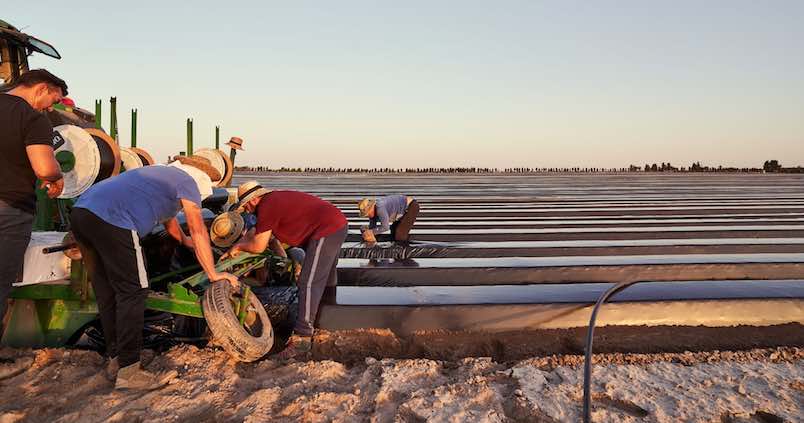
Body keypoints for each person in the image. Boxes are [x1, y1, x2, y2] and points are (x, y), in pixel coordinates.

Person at [70, 155, 239, 390]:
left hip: (81, 213)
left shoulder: (161, 173)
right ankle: (129, 372)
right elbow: (197, 227)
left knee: (107, 292)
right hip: (114, 220)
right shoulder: (188, 180)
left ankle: (116, 359)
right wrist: (213, 274)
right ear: (203, 179)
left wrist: (185, 242)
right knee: (134, 291)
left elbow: (169, 220)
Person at [223, 180, 348, 360]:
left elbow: (258, 246)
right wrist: (234, 247)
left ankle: (302, 340)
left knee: (308, 282)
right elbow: (254, 234)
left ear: (253, 200)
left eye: (246, 206)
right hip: (337, 224)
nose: (247, 211)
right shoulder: (272, 201)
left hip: (327, 229)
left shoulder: (267, 206)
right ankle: (325, 319)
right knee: (326, 276)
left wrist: (238, 248)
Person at [0, 69, 66, 328]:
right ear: (42, 89)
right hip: (9, 209)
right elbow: (44, 169)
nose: (50, 108)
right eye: (54, 100)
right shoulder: (32, 118)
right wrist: (57, 175)